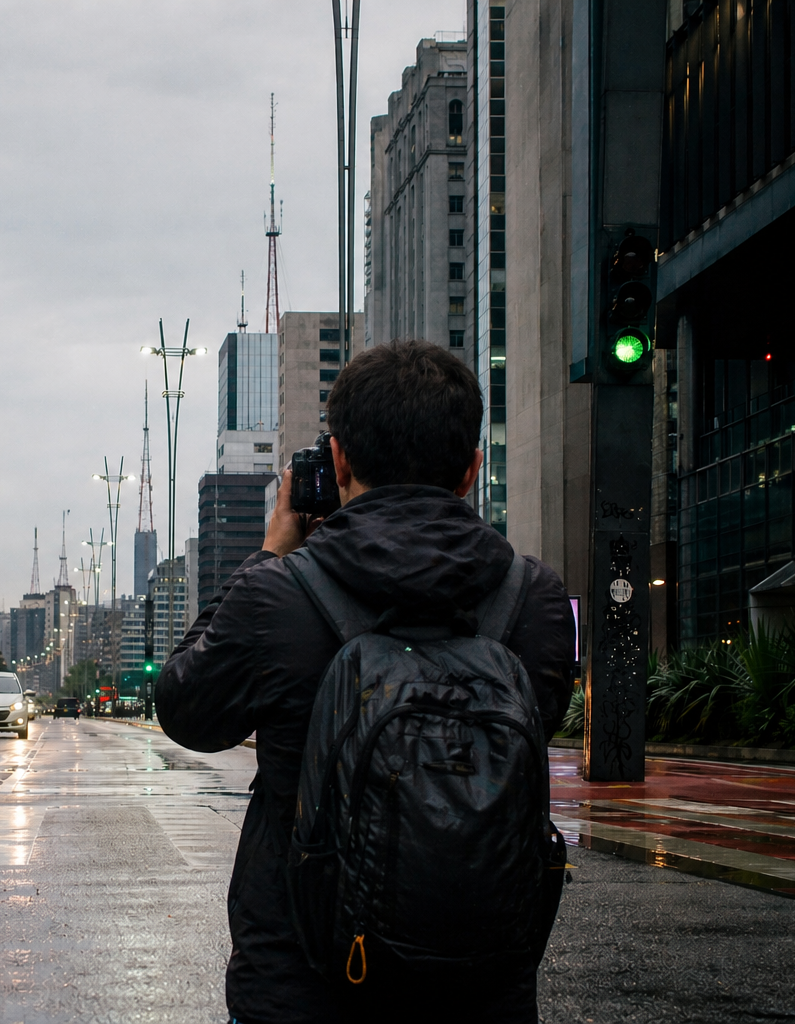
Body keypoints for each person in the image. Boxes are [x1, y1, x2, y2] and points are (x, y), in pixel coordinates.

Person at [156, 340, 575, 1024]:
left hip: (303, 981)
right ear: (471, 469)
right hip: (482, 990)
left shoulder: (278, 596)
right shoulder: (532, 601)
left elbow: (187, 712)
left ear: (340, 460)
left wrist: (270, 552)